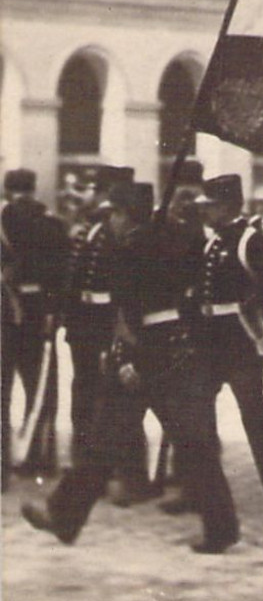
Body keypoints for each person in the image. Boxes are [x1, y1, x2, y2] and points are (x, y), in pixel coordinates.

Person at [22, 177, 239, 552]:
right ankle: (64, 517)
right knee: (105, 440)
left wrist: (133, 363)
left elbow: (146, 316)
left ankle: (221, 529)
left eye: (114, 214)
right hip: (157, 358)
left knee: (192, 446)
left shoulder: (141, 247)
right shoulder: (152, 243)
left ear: (125, 215)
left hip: (159, 360)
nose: (110, 222)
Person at [191, 173, 263, 521]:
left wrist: (260, 299)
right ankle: (202, 492)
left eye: (210, 207)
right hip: (208, 342)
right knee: (199, 419)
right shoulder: (212, 242)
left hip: (240, 341)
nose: (205, 213)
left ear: (226, 207)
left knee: (255, 420)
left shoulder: (249, 239)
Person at [60, 166, 155, 504]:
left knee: (116, 400)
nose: (95, 198)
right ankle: (87, 465)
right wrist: (68, 318)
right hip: (85, 325)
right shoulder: (91, 230)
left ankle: (121, 472)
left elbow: (122, 289)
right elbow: (75, 279)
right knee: (85, 393)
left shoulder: (123, 235)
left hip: (108, 324)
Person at [2, 168, 69, 486]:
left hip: (23, 315)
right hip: (22, 314)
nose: (22, 198)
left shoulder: (46, 226)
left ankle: (23, 459)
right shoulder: (49, 225)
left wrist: (53, 312)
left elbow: (62, 273)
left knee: (32, 390)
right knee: (27, 390)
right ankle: (23, 458)